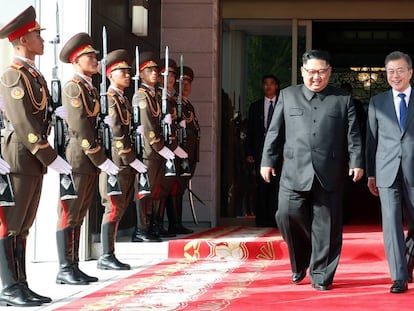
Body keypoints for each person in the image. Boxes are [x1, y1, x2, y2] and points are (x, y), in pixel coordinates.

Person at [260, 50, 364, 291]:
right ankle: (300, 262)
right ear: (302, 72)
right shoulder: (288, 95)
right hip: (293, 170)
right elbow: (274, 132)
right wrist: (268, 161)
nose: (316, 77)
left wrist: (356, 162)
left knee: (326, 228)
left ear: (329, 72)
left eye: (321, 72)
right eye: (311, 72)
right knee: (286, 214)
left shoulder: (342, 99)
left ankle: (321, 275)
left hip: (330, 171)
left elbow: (353, 135)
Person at [0, 6, 72, 306]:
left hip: (32, 161)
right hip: (20, 157)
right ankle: (8, 286)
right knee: (13, 224)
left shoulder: (34, 75)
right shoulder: (13, 76)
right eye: (36, 35)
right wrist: (50, 155)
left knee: (25, 224)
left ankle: (21, 282)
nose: (41, 39)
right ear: (21, 41)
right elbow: (24, 124)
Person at [56, 32, 119, 285]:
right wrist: (99, 157)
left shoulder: (90, 88)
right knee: (70, 213)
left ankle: (73, 264)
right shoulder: (73, 87)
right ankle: (64, 267)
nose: (95, 60)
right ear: (75, 60)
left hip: (88, 160)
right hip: (79, 158)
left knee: (80, 213)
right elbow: (80, 126)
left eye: (95, 56)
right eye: (89, 56)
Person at [366, 51, 414, 294]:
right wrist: (371, 174)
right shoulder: (378, 102)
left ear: (410, 72)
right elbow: (371, 141)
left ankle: (408, 259)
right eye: (390, 71)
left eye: (400, 70)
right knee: (392, 223)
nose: (395, 76)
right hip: (387, 172)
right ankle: (399, 277)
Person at [97, 49, 147, 270]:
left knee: (121, 206)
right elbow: (116, 134)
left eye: (128, 71)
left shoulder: (123, 100)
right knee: (113, 207)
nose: (128, 75)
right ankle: (106, 255)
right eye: (122, 71)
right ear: (110, 74)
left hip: (125, 164)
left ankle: (110, 253)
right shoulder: (109, 100)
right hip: (116, 163)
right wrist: (130, 158)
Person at [131, 52, 176, 242]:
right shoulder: (141, 96)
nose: (155, 73)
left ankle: (149, 226)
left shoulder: (155, 95)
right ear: (141, 74)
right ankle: (141, 229)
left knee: (154, 190)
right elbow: (148, 126)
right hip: (149, 152)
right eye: (149, 70)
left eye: (156, 70)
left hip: (156, 153)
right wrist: (160, 146)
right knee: (144, 190)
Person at [167, 65, 200, 234]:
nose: (185, 86)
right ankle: (174, 223)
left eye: (188, 83)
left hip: (189, 154)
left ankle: (177, 222)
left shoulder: (187, 105)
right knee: (175, 188)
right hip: (178, 153)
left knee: (180, 188)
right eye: (181, 82)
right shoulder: (173, 103)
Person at [246, 74, 280, 227]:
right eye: (265, 83)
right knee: (261, 185)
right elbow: (250, 131)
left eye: (272, 83)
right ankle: (261, 219)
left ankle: (275, 218)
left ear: (276, 86)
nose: (268, 86)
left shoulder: (282, 104)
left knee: (276, 185)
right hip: (260, 151)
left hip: (279, 152)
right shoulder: (255, 106)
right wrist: (249, 152)